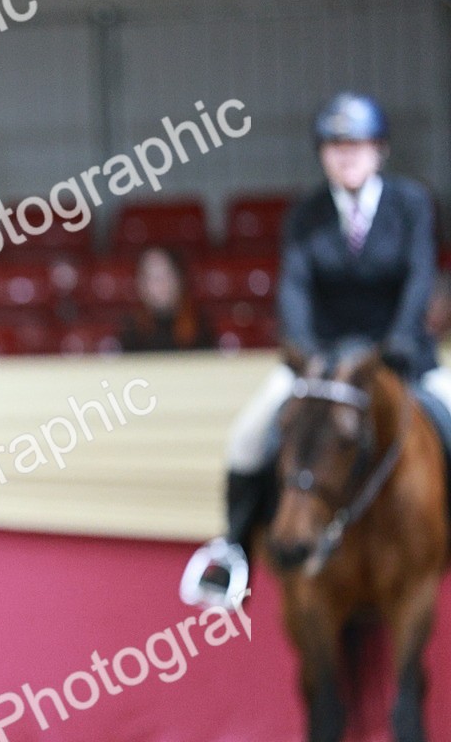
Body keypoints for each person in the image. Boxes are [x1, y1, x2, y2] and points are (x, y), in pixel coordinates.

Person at [180, 92, 448, 609]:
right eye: (335, 146)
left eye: (358, 145)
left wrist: (395, 341)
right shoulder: (305, 215)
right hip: (322, 361)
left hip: (399, 356)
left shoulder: (412, 203)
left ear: (380, 150)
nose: (347, 155)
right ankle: (233, 557)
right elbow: (295, 289)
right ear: (322, 153)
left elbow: (419, 276)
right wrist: (302, 350)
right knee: (248, 436)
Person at [119, 246, 214, 351]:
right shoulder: (130, 329)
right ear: (141, 285)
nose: (162, 284)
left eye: (167, 274)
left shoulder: (199, 324)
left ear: (179, 279)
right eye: (153, 277)